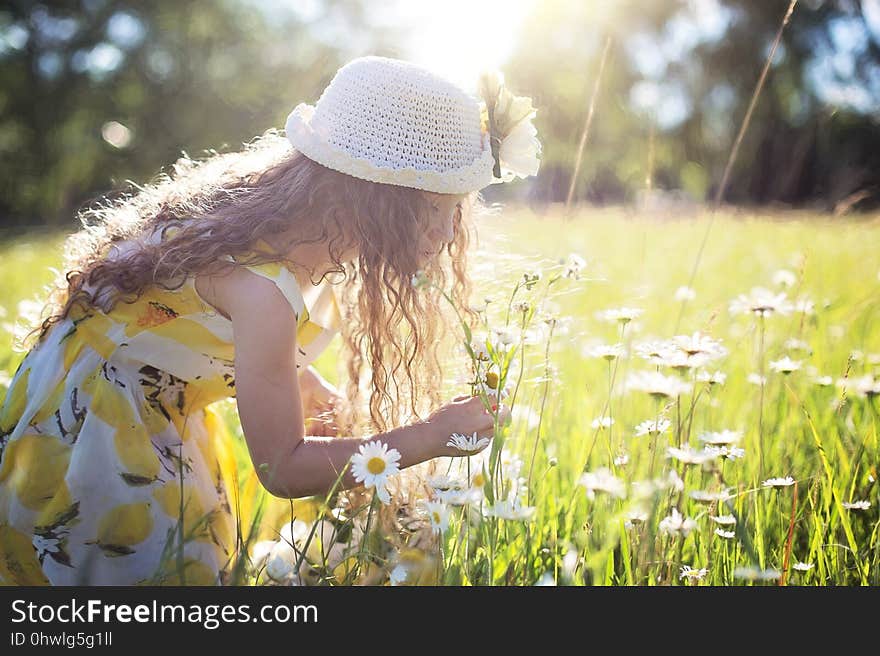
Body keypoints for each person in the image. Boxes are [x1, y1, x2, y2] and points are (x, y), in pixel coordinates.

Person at [0, 55, 540, 585]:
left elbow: (177, 323)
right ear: (377, 201)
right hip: (93, 427)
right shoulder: (264, 289)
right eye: (437, 210)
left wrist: (297, 379)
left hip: (142, 397)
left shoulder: (282, 227)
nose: (449, 234)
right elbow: (282, 469)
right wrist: (429, 436)